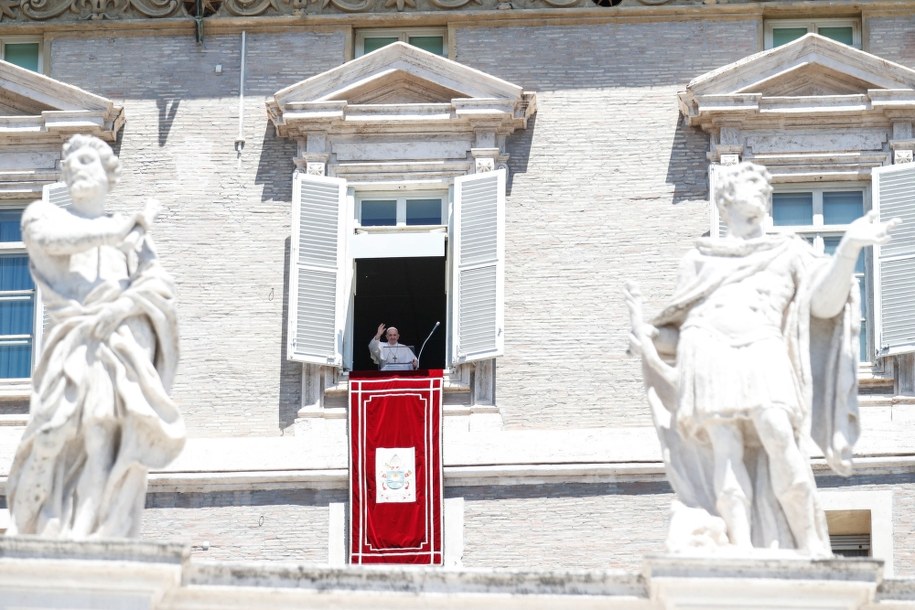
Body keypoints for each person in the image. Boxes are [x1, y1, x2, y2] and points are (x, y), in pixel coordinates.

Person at [625, 161, 899, 555]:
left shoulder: (787, 251)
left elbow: (824, 304)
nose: (759, 192)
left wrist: (849, 249)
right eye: (749, 184)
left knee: (779, 434)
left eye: (763, 188)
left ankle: (811, 545)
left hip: (763, 346)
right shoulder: (699, 260)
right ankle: (739, 545)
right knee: (725, 446)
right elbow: (676, 332)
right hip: (707, 350)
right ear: (726, 198)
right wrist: (649, 335)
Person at [6, 134, 185, 539]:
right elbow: (49, 243)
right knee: (53, 429)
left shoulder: (130, 236)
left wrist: (123, 307)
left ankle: (88, 530)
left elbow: (158, 286)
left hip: (115, 346)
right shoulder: (44, 215)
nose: (74, 169)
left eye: (86, 160)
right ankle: (30, 522)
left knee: (102, 433)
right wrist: (117, 231)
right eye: (69, 165)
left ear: (108, 173)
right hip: (71, 340)